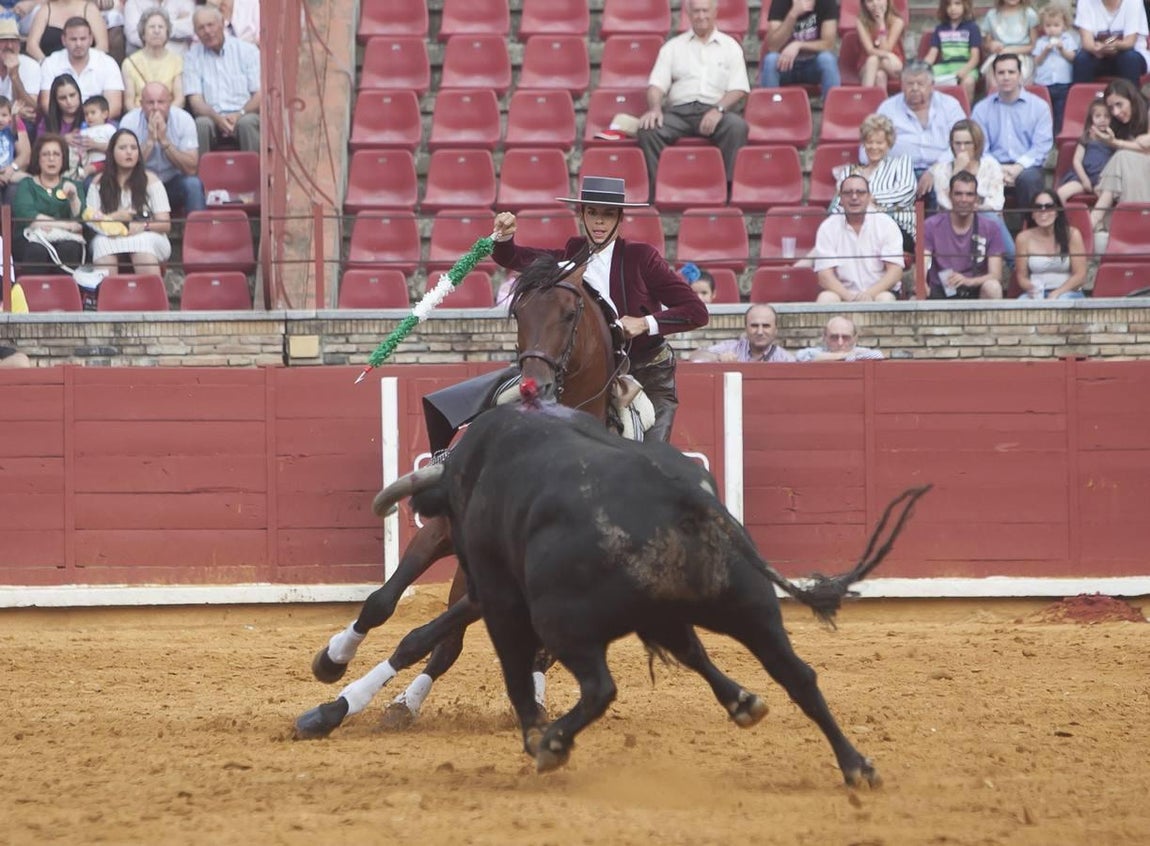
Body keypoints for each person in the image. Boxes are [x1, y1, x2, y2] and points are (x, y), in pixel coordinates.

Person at [490, 175, 709, 442]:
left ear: (620, 217)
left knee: (651, 462)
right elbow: (512, 257)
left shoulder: (642, 258)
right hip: (584, 374)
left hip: (645, 372)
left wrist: (645, 323)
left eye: (608, 214)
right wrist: (505, 237)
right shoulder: (571, 255)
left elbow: (696, 311)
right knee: (499, 406)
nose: (600, 221)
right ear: (582, 214)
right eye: (592, 213)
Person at [636, 0, 749, 194]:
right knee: (649, 130)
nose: (701, 16)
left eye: (706, 10)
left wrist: (719, 109)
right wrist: (655, 108)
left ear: (715, 12)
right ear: (688, 13)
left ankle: (729, 190)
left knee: (737, 127)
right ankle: (659, 190)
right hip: (678, 113)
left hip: (714, 110)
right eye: (696, 11)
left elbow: (738, 89)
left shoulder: (730, 47)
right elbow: (656, 85)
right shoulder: (672, 47)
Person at [970, 53, 1053, 229]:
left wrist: (1017, 167)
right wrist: (997, 168)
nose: (1006, 77)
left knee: (1029, 180)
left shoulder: (1039, 107)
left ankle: (1031, 231)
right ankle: (985, 234)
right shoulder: (981, 108)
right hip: (991, 165)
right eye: (1001, 72)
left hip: (1027, 166)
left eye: (1011, 72)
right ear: (994, 76)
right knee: (973, 177)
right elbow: (978, 146)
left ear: (1020, 75)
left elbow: (1041, 147)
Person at [84, 127, 172, 274]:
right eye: (123, 148)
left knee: (142, 242)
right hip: (110, 235)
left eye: (133, 148)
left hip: (147, 233)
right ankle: (109, 296)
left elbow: (165, 224)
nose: (129, 152)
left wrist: (143, 226)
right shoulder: (98, 182)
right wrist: (115, 218)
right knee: (101, 244)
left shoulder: (151, 180)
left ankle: (150, 296)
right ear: (111, 152)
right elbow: (90, 219)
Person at [877, 60, 967, 199]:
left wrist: (935, 170)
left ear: (932, 86)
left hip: (943, 168)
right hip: (900, 171)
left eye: (920, 83)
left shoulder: (950, 106)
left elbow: (965, 143)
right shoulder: (888, 108)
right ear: (901, 85)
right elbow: (871, 143)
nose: (915, 88)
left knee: (942, 187)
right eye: (909, 83)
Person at [928, 119, 1014, 263]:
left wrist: (968, 204)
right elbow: (946, 204)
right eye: (957, 143)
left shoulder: (991, 166)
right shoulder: (942, 169)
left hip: (985, 219)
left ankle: (1016, 265)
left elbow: (996, 204)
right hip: (952, 221)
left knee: (991, 218)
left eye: (967, 143)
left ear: (977, 144)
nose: (962, 148)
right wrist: (957, 171)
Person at [829, 113, 916, 248]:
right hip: (854, 228)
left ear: (888, 143)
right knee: (833, 233)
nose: (874, 147)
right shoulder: (850, 172)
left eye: (879, 142)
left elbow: (907, 192)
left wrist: (871, 199)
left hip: (897, 228)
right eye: (869, 142)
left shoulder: (900, 163)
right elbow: (837, 206)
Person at [814, 173, 904, 303]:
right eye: (848, 193)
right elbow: (824, 275)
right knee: (825, 299)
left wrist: (868, 295)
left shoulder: (886, 224)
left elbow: (895, 271)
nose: (854, 197)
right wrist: (850, 297)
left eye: (860, 192)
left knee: (885, 299)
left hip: (879, 291)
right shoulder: (828, 227)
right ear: (840, 198)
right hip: (843, 293)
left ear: (869, 196)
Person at [184, 4, 260, 154]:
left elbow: (259, 95)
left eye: (211, 25)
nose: (207, 31)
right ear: (196, 33)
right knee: (201, 124)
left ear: (222, 24)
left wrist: (240, 114)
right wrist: (217, 118)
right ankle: (199, 177)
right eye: (201, 28)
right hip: (212, 117)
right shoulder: (192, 56)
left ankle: (255, 175)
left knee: (247, 123)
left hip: (244, 114)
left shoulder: (247, 51)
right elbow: (196, 101)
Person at [118, 81, 205, 212]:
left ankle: (199, 232)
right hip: (142, 184)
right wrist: (149, 141)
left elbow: (191, 169)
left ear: (169, 102)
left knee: (193, 184)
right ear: (141, 104)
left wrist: (165, 142)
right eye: (150, 102)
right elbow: (123, 167)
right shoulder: (129, 122)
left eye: (161, 102)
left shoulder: (184, 120)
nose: (156, 107)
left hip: (173, 182)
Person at [11, 132, 85, 275]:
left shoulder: (74, 186)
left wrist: (73, 198)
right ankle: (32, 296)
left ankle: (64, 296)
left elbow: (79, 221)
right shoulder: (26, 185)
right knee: (37, 249)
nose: (51, 159)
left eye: (56, 154)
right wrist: (66, 225)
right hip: (30, 240)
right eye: (46, 154)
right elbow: (30, 219)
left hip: (65, 240)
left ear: (63, 159)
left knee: (70, 247)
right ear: (38, 158)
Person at [923, 171, 1005, 299]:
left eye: (969, 194)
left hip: (975, 289)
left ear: (976, 198)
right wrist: (922, 285)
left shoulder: (991, 227)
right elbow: (923, 263)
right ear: (950, 196)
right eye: (958, 194)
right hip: (941, 290)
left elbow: (996, 275)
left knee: (993, 287)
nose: (964, 200)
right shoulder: (931, 225)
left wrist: (967, 281)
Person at [1088, 78, 1150, 231]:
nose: (1116, 112)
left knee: (1123, 156)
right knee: (1122, 159)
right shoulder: (1117, 125)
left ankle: (1094, 219)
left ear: (1132, 99)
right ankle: (1096, 220)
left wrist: (1115, 143)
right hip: (1136, 175)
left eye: (1119, 104)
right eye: (1111, 108)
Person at [37, 15, 124, 118]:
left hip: (98, 125)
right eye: (73, 39)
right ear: (64, 40)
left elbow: (114, 107)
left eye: (83, 39)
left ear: (91, 39)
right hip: (61, 124)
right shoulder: (50, 63)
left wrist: (87, 122)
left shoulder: (108, 63)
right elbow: (46, 104)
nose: (78, 44)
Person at [1014, 190, 1087, 299]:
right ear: (1032, 214)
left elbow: (1080, 275)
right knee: (1021, 303)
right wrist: (1033, 288)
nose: (1043, 211)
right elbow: (1021, 277)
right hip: (1037, 293)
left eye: (1049, 206)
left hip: (1068, 292)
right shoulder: (1023, 238)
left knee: (1061, 302)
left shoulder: (1072, 235)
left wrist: (1057, 293)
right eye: (1038, 207)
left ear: (1057, 211)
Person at [758, 0, 841, 97]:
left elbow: (828, 44)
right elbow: (773, 46)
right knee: (771, 59)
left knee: (827, 59)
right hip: (785, 64)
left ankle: (833, 109)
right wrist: (793, 14)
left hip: (813, 64)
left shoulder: (827, 2)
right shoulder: (780, 2)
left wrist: (798, 45)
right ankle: (770, 108)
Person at [1072, 0, 1150, 86]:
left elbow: (1129, 42)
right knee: (1082, 59)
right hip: (1098, 55)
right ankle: (1081, 98)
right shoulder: (1085, 2)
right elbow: (1087, 43)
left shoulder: (1134, 2)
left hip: (1130, 53)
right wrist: (1097, 49)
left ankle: (1131, 97)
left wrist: (1114, 45)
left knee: (1129, 58)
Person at [122, 6, 185, 110]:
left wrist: (164, 116)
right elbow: (129, 102)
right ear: (143, 33)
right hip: (139, 116)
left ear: (167, 32)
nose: (156, 31)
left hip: (170, 115)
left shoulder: (177, 61)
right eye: (152, 27)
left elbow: (179, 99)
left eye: (161, 27)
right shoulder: (129, 63)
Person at [690, 303, 795, 362]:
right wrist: (718, 358)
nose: (760, 331)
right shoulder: (730, 348)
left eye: (766, 326)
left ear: (775, 330)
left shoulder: (785, 358)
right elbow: (695, 356)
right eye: (754, 325)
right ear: (746, 328)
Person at [1057, 97, 1115, 203]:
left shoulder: (1113, 140)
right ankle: (1063, 219)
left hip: (1102, 180)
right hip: (1082, 177)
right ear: (1091, 119)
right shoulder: (1086, 138)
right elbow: (1077, 161)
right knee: (1061, 193)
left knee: (1106, 198)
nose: (1102, 119)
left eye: (1107, 116)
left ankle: (1098, 219)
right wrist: (1084, 180)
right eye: (1098, 116)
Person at [1031, 3, 1078, 134]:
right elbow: (1037, 61)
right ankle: (1046, 134)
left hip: (1063, 83)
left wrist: (1062, 49)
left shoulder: (1068, 39)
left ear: (1064, 25)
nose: (1052, 29)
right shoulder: (1041, 42)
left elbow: (1073, 57)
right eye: (1048, 25)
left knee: (1061, 110)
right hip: (1044, 83)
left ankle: (1059, 134)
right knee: (1045, 110)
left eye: (1056, 25)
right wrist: (1045, 51)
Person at [924, 0, 982, 103]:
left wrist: (963, 71)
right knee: (925, 79)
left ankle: (966, 114)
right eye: (948, 4)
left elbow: (975, 58)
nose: (952, 8)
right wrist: (922, 68)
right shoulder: (940, 28)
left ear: (965, 5)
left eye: (957, 3)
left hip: (966, 66)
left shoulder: (972, 27)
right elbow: (932, 54)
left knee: (968, 82)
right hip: (945, 66)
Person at [979, 0, 1039, 87]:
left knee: (1018, 78)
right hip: (999, 55)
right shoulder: (992, 15)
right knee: (993, 79)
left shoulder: (1029, 14)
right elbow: (986, 44)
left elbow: (1033, 46)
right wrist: (991, 45)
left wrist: (1010, 50)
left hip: (1022, 55)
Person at [25, 0, 108, 62]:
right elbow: (32, 45)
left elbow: (103, 45)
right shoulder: (45, 10)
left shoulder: (89, 9)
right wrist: (48, 65)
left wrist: (85, 65)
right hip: (51, 72)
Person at [856, 0, 905, 90]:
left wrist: (881, 24)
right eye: (870, 1)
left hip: (891, 64)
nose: (875, 3)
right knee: (879, 74)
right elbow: (870, 50)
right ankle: (880, 103)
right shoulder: (861, 22)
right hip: (867, 64)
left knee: (874, 60)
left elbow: (886, 48)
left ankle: (864, 98)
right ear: (864, 4)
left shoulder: (898, 21)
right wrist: (888, 55)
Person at [0, 16, 40, 123]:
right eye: (3, 40)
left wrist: (15, 77)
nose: (9, 45)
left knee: (26, 122)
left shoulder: (31, 65)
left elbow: (31, 109)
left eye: (13, 41)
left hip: (17, 124)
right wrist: (10, 111)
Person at [795, 316, 885, 361]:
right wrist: (844, 356)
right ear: (825, 337)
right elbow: (800, 355)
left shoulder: (859, 351)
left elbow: (878, 355)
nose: (840, 342)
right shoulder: (819, 351)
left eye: (845, 337)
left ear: (855, 338)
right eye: (834, 337)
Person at [124, 0, 193, 53]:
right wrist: (175, 24)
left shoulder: (184, 1)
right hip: (146, 60)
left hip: (180, 61)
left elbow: (191, 28)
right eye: (152, 26)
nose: (157, 30)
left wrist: (150, 27)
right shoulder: (134, 2)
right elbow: (134, 35)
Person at [0, 95, 31, 204]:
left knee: (29, 180)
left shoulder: (9, 132)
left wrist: (14, 116)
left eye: (4, 115)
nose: (0, 119)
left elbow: (14, 128)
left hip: (9, 172)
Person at [76, 93, 114, 178]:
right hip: (87, 162)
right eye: (86, 114)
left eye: (93, 113)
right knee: (78, 169)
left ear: (105, 114)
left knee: (87, 170)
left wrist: (95, 145)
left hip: (104, 161)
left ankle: (81, 177)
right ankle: (78, 182)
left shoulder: (109, 128)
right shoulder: (83, 132)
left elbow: (115, 146)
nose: (89, 117)